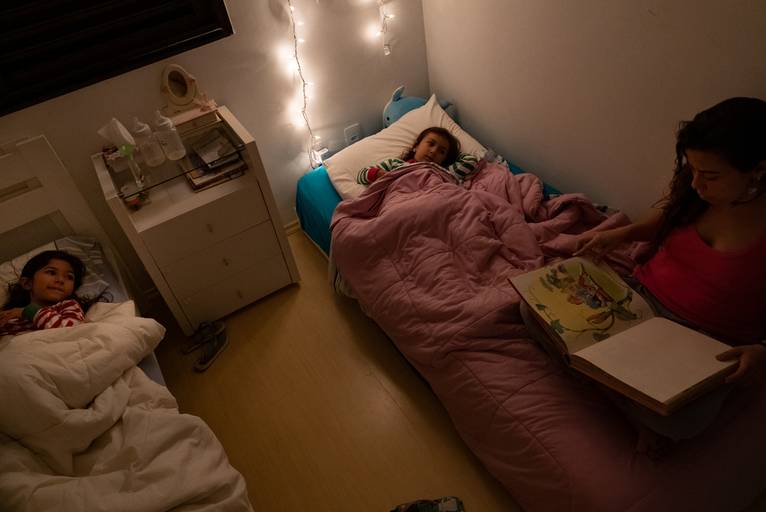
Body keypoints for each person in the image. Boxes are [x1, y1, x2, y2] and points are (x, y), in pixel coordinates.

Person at [523, 97, 766, 444]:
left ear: (758, 170)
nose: (696, 184)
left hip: (701, 340)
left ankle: (611, 384)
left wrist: (761, 351)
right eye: (693, 170)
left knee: (683, 422)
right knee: (532, 309)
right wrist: (618, 235)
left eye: (710, 176)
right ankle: (619, 390)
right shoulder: (695, 193)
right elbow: (665, 220)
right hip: (638, 300)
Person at [0, 250, 88, 336]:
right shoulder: (13, 315)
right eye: (51, 272)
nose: (61, 280)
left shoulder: (69, 306)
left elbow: (72, 331)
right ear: (27, 283)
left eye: (69, 277)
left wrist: (31, 312)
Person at [356, 126, 478, 185]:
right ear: (416, 146)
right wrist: (379, 174)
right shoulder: (396, 164)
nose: (434, 151)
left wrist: (452, 156)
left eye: (442, 152)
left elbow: (470, 160)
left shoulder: (444, 171)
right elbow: (361, 175)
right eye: (431, 144)